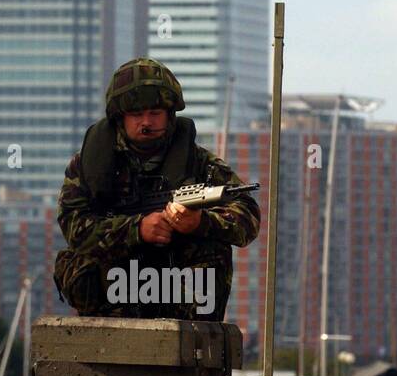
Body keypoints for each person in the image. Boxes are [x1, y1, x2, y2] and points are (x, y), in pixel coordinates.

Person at [53, 58, 260, 321]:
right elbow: (73, 225)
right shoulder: (91, 165)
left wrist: (200, 222)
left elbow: (247, 217)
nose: (146, 123)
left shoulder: (199, 164)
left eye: (155, 113)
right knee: (79, 258)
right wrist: (136, 230)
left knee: (211, 249)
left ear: (170, 114)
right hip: (113, 297)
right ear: (120, 117)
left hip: (176, 294)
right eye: (137, 114)